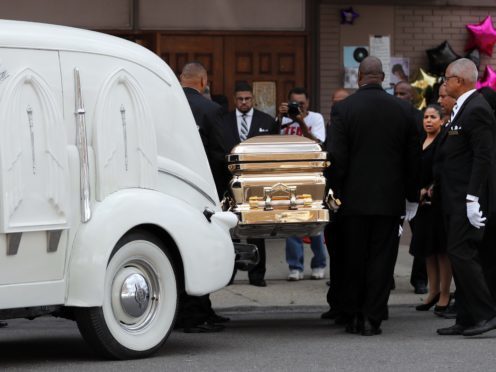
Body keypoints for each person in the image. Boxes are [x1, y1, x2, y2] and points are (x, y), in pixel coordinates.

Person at [327, 56, 421, 336]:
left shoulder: (344, 109)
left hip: (352, 201)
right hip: (389, 199)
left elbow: (337, 157)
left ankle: (353, 313)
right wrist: (411, 195)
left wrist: (335, 194)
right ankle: (373, 317)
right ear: (383, 78)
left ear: (359, 77)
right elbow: (412, 158)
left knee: (353, 258)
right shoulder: (404, 110)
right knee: (382, 259)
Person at [434, 58, 496, 336]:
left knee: (462, 254)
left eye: (447, 78)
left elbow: (483, 157)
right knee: (458, 254)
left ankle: (486, 313)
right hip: (452, 195)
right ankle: (466, 316)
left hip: (466, 197)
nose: (444, 83)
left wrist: (473, 198)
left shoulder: (478, 109)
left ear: (460, 81)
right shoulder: (463, 108)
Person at [175, 61, 229, 333]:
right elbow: (221, 153)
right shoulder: (211, 110)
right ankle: (194, 314)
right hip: (201, 190)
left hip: (168, 186)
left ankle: (201, 310)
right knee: (201, 250)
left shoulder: (162, 105)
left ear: (180, 78)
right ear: (203, 81)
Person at [223, 81, 279, 287]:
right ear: (235, 99)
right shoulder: (225, 121)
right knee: (230, 228)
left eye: (247, 99)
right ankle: (228, 274)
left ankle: (257, 275)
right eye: (240, 99)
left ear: (253, 99)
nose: (244, 102)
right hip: (230, 183)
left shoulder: (266, 120)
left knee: (256, 230)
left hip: (257, 184)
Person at [278, 87, 327, 281]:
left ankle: (319, 263)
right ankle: (295, 266)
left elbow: (318, 144)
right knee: (290, 221)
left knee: (313, 221)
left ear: (308, 103)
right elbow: (274, 140)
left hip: (311, 174)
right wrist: (278, 118)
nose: (299, 107)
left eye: (302, 103)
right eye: (294, 104)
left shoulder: (316, 119)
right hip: (288, 173)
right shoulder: (283, 119)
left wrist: (300, 122)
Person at [411, 104, 452, 314]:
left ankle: (445, 294)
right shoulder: (420, 140)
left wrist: (428, 189)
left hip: (438, 202)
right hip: (422, 206)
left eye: (433, 117)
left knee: (441, 250)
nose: (428, 121)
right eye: (426, 117)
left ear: (442, 120)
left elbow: (444, 169)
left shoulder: (443, 142)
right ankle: (433, 291)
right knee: (427, 250)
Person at [394, 81, 428, 295]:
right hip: (394, 187)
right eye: (396, 93)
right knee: (389, 238)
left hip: (416, 187)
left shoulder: (420, 118)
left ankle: (420, 279)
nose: (399, 96)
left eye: (403, 93)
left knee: (421, 237)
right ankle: (386, 279)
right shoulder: (386, 117)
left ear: (412, 96)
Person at [322, 87, 350, 319]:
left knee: (346, 255)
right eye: (334, 102)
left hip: (346, 198)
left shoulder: (347, 127)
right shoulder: (332, 126)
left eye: (341, 102)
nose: (337, 106)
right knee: (335, 252)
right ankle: (336, 302)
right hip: (332, 198)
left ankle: (344, 304)